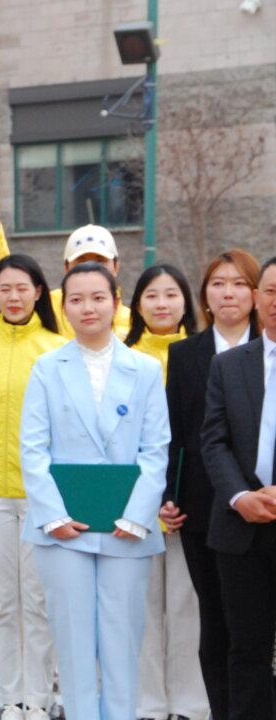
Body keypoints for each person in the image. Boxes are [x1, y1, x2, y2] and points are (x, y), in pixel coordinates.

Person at [20, 262, 169, 720]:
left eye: (98, 297)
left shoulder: (143, 370)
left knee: (123, 641)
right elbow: (32, 447)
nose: (88, 307)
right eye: (77, 299)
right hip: (63, 528)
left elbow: (156, 448)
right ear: (64, 308)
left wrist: (136, 515)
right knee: (73, 642)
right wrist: (53, 515)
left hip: (127, 526)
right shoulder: (47, 368)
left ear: (116, 303)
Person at [0, 255, 64, 720]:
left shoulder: (57, 349)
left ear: (39, 292)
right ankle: (11, 698)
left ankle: (39, 699)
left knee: (39, 602)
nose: (13, 296)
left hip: (42, 493)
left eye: (22, 287)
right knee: (1, 602)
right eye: (4, 289)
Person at [164, 249, 261, 720]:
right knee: (217, 622)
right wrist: (170, 496)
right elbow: (175, 434)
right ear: (204, 294)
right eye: (219, 283)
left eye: (240, 283)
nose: (229, 292)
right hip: (205, 509)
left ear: (257, 294)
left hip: (267, 505)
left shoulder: (271, 347)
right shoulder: (185, 354)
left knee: (257, 630)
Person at [123, 265, 209, 720]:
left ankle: (190, 705)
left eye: (171, 294)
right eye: (151, 295)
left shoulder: (202, 356)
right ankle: (149, 705)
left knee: (186, 610)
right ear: (136, 304)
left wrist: (177, 500)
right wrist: (145, 503)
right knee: (141, 613)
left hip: (187, 506)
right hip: (132, 508)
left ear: (186, 302)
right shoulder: (122, 357)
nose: (161, 303)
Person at [200, 256, 276, 720]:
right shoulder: (228, 366)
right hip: (239, 529)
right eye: (270, 290)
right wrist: (239, 496)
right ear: (256, 298)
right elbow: (214, 440)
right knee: (245, 651)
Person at [0, 180, 131, 340]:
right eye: (81, 261)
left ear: (116, 266)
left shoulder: (135, 322)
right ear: (66, 267)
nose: (90, 270)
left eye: (100, 261)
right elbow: (4, 278)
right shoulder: (47, 306)